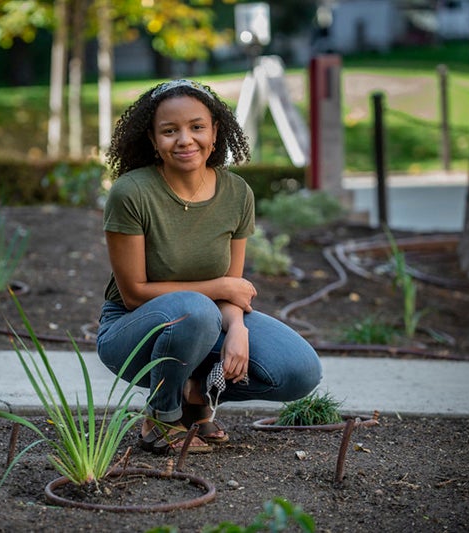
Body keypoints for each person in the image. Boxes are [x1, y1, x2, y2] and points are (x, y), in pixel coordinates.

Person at [96, 79, 322, 455]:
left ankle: (195, 395)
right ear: (153, 140)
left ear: (215, 133)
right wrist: (219, 291)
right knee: (195, 309)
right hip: (130, 331)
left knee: (300, 370)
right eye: (170, 131)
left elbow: (232, 285)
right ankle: (161, 416)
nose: (185, 139)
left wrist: (237, 329)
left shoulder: (236, 193)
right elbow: (134, 294)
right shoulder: (131, 193)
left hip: (208, 319)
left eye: (197, 127)